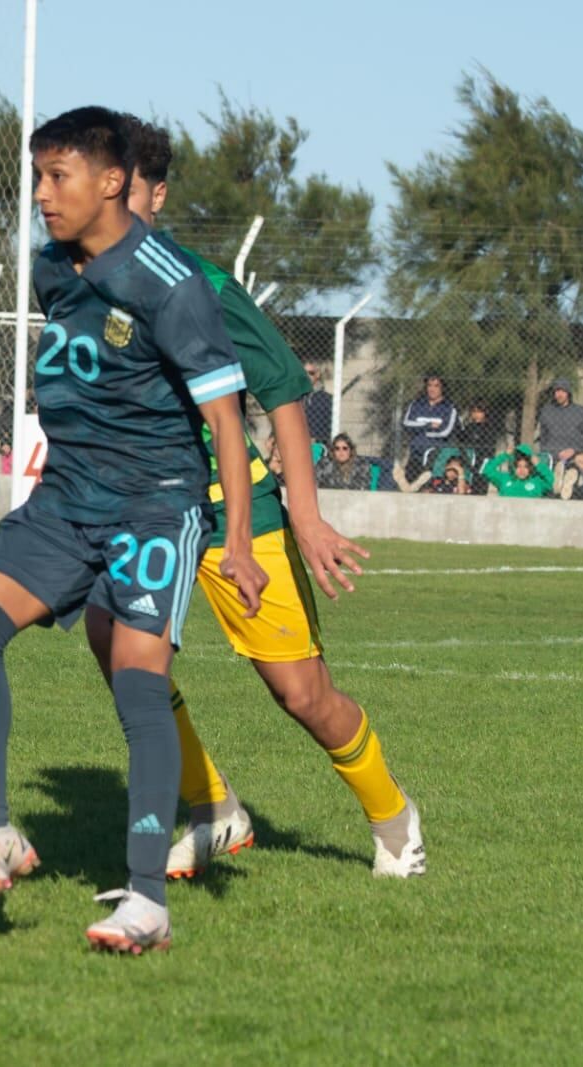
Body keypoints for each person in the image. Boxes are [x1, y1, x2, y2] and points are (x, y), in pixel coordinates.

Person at [0, 107, 266, 955]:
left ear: (112, 180)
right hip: (64, 498)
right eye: (37, 177)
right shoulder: (51, 267)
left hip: (153, 505)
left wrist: (235, 540)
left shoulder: (172, 283)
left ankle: (147, 902)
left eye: (58, 177)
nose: (41, 195)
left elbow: (226, 419)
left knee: (136, 685)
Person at [117, 116, 423, 884]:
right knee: (124, 654)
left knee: (301, 694)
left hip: (235, 514)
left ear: (157, 194)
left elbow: (283, 387)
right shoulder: (85, 286)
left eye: (128, 190)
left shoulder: (202, 286)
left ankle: (393, 817)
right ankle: (213, 807)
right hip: (149, 513)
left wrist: (306, 515)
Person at [401, 375, 458, 479]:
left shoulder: (449, 407)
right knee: (409, 480)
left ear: (442, 388)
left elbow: (445, 432)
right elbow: (406, 423)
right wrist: (429, 425)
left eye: (436, 386)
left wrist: (421, 431)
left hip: (436, 451)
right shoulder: (416, 404)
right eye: (429, 385)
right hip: (416, 450)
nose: (432, 389)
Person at [537, 379, 583, 466]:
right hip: (552, 457)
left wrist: (574, 450)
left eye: (563, 391)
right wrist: (549, 453)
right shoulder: (546, 411)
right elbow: (543, 437)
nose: (560, 394)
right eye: (557, 391)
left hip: (574, 457)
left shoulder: (581, 412)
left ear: (568, 393)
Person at [484, 447, 555, 498]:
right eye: (518, 466)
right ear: (513, 467)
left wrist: (538, 464)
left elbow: (550, 480)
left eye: (526, 467)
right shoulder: (505, 479)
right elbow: (487, 471)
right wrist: (505, 455)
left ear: (530, 468)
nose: (522, 470)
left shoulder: (536, 482)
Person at [302, 360, 333, 443]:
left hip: (318, 443)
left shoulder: (327, 399)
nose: (307, 376)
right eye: (304, 373)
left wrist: (317, 439)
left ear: (317, 374)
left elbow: (329, 426)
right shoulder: (297, 397)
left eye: (311, 373)